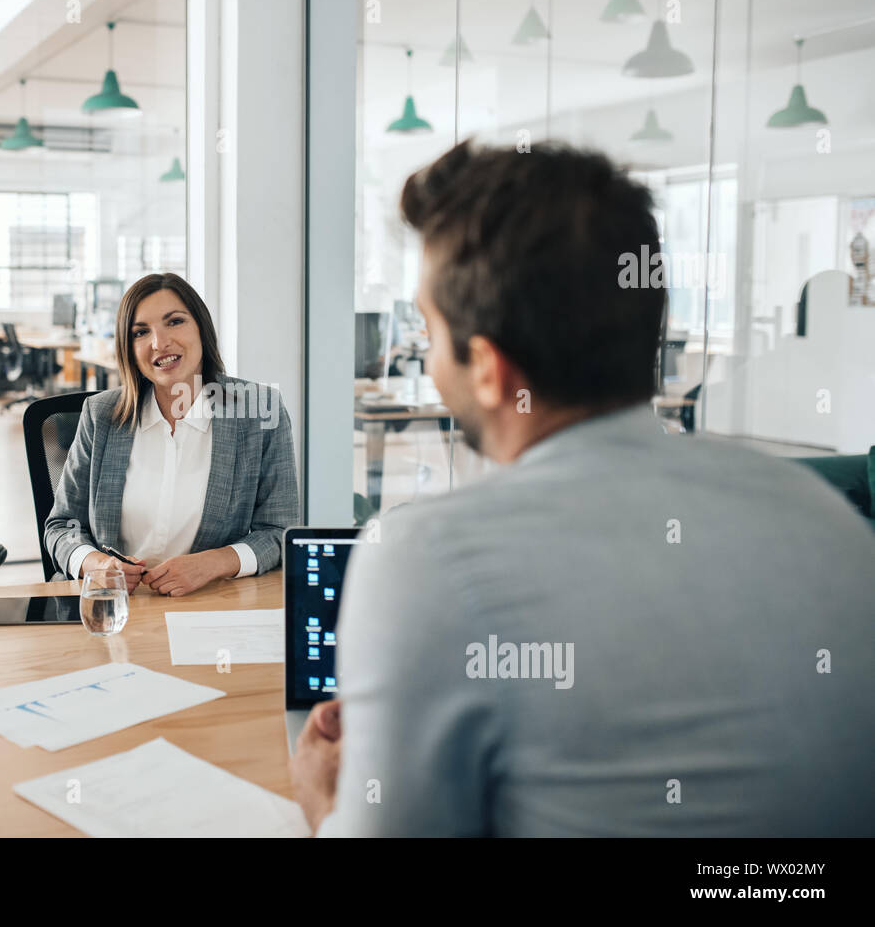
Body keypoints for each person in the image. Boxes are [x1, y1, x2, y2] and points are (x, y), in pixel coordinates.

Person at [290, 141, 875, 836]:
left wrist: (324, 799)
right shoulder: (830, 521)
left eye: (429, 326)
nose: (425, 348)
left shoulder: (430, 557)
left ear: (487, 367)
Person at [45, 273, 299, 596]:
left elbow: (278, 532)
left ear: (201, 329)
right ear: (128, 348)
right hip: (116, 609)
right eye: (141, 332)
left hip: (210, 604)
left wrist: (212, 563)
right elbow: (62, 526)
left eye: (174, 322)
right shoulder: (101, 415)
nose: (159, 343)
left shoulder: (258, 412)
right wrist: (95, 564)